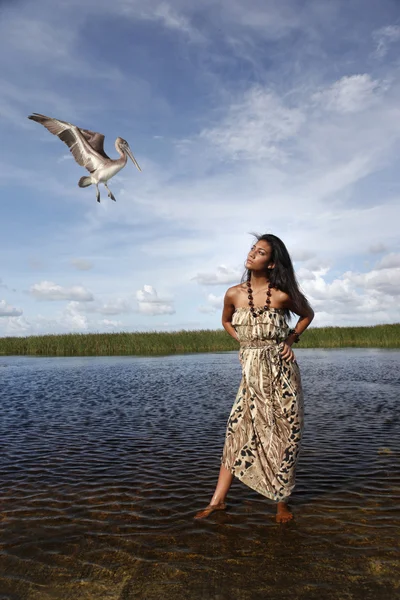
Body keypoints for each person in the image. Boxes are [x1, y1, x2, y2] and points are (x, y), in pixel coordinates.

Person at [194, 233, 314, 523]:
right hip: (250, 379)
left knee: (284, 436)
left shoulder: (283, 295)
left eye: (260, 252)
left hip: (282, 377)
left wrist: (290, 339)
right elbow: (225, 320)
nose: (252, 254)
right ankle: (218, 501)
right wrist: (244, 342)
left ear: (271, 264)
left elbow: (307, 314)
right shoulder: (233, 293)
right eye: (252, 249)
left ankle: (281, 502)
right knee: (236, 433)